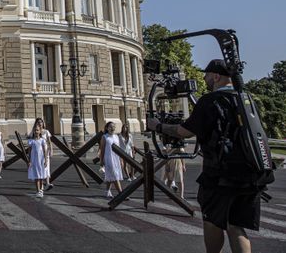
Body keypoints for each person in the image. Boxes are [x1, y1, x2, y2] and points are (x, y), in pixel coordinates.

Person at [147, 59, 264, 253]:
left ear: (216, 76)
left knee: (212, 221)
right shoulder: (246, 98)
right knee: (236, 226)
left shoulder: (210, 101)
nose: (204, 78)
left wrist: (158, 126)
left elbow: (185, 131)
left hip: (221, 174)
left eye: (207, 75)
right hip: (252, 172)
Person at [99, 121, 123, 199]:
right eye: (110, 127)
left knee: (110, 175)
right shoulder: (105, 137)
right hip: (108, 158)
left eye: (113, 126)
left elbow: (119, 149)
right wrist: (101, 161)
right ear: (107, 128)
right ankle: (121, 193)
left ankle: (107, 191)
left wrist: (121, 160)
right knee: (115, 175)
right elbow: (102, 150)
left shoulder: (116, 137)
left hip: (116, 159)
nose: (112, 128)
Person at [27, 123, 48, 198]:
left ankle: (41, 190)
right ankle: (38, 190)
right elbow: (29, 152)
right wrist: (29, 161)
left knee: (41, 175)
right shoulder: (31, 141)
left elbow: (44, 151)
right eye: (35, 130)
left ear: (40, 131)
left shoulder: (42, 140)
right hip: (34, 160)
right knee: (36, 176)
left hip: (41, 160)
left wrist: (46, 160)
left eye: (37, 130)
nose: (36, 132)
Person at [33, 117, 54, 190]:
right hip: (38, 153)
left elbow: (49, 142)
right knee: (40, 168)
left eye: (41, 122)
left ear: (43, 123)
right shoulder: (35, 131)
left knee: (47, 167)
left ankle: (47, 183)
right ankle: (41, 185)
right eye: (38, 122)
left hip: (46, 152)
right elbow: (31, 140)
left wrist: (51, 150)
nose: (40, 123)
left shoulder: (46, 131)